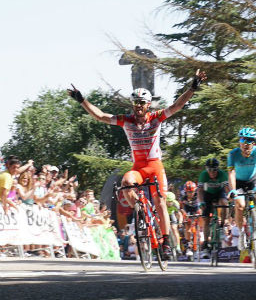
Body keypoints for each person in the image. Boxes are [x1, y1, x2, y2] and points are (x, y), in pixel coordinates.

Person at [68, 70, 207, 257]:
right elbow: (100, 116)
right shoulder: (126, 120)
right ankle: (141, 211)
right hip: (139, 168)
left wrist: (192, 88)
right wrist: (82, 100)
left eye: (142, 103)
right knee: (126, 181)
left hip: (155, 165)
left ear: (148, 105)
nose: (138, 106)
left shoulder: (156, 117)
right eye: (136, 103)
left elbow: (177, 106)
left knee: (160, 201)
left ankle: (165, 241)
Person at [227, 127, 256, 249]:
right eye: (243, 140)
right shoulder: (233, 154)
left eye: (249, 140)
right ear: (240, 141)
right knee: (240, 205)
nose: (245, 143)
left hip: (253, 180)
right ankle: (241, 234)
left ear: (253, 143)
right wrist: (232, 190)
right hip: (238, 182)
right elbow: (231, 173)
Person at [197, 158, 229, 253]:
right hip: (208, 194)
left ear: (217, 169)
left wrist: (231, 198)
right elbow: (199, 190)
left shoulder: (222, 174)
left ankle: (223, 224)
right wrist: (201, 202)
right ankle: (206, 242)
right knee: (206, 219)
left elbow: (227, 188)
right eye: (209, 170)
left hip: (220, 192)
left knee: (224, 203)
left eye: (214, 169)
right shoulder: (204, 175)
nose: (212, 172)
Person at [180, 180, 202, 258]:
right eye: (189, 192)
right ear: (186, 192)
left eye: (192, 192)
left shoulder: (198, 195)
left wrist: (200, 213)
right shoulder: (183, 196)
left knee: (200, 216)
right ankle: (189, 245)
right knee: (187, 226)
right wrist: (184, 214)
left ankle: (200, 233)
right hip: (187, 208)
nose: (190, 194)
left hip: (195, 208)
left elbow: (200, 207)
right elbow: (181, 208)